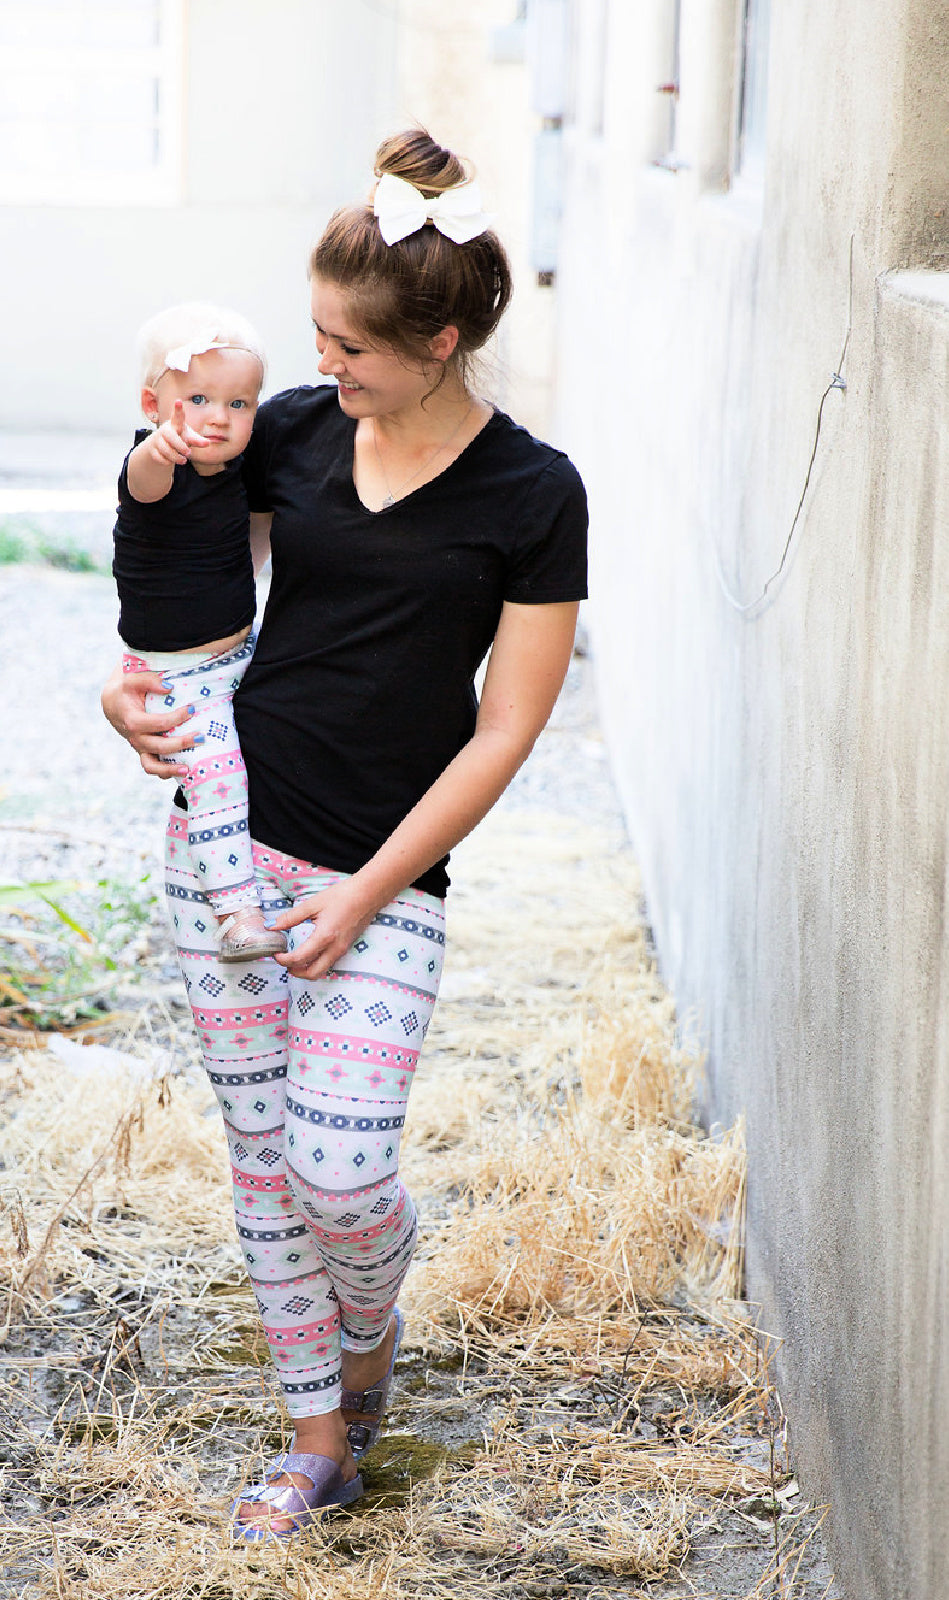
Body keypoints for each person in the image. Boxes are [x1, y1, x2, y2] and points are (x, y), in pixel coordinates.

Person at [101, 130, 588, 1540]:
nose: (325, 369)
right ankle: (318, 1431)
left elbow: (505, 727)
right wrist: (119, 694)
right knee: (263, 1161)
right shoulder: (297, 432)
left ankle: (368, 1331)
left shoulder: (532, 495)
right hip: (229, 850)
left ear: (439, 343)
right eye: (314, 336)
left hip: (386, 875)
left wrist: (370, 893)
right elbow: (174, 584)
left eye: (351, 347)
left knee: (340, 1170)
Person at [112, 302, 287, 963]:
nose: (219, 416)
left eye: (240, 403)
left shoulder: (236, 468)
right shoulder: (153, 468)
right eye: (199, 399)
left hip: (238, 651)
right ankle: (235, 913)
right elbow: (143, 482)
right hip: (176, 674)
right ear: (153, 403)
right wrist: (160, 446)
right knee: (217, 777)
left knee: (258, 755)